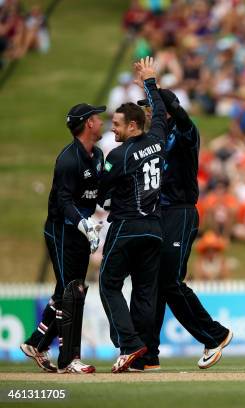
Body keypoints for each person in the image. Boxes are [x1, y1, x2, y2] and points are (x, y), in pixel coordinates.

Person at [131, 74, 232, 371]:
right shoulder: (157, 137)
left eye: (151, 107)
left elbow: (183, 116)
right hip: (160, 214)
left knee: (170, 281)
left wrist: (154, 87)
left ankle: (215, 335)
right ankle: (148, 355)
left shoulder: (187, 132)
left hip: (181, 212)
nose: (148, 112)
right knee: (156, 284)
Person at [20, 103, 105, 374]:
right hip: (61, 230)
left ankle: (36, 343)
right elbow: (64, 200)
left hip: (80, 230)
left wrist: (103, 213)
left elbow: (97, 193)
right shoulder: (69, 159)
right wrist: (83, 223)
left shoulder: (98, 154)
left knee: (66, 291)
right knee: (73, 292)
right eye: (97, 118)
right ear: (88, 124)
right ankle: (69, 360)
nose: (102, 122)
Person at [97, 57, 167, 373]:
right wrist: (150, 82)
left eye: (117, 124)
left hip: (126, 226)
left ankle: (129, 345)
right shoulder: (157, 140)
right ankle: (148, 356)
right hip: (154, 229)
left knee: (108, 284)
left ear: (133, 126)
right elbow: (162, 113)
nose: (113, 128)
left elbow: (99, 189)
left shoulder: (119, 155)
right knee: (144, 292)